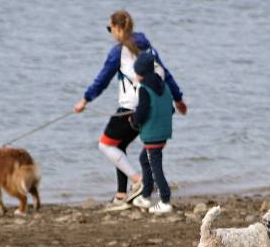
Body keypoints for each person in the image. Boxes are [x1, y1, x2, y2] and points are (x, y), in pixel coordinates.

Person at [74, 11, 187, 211]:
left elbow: (102, 80)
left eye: (110, 28)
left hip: (131, 108)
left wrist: (85, 99)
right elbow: (165, 74)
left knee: (106, 145)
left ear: (118, 29)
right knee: (120, 145)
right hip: (152, 105)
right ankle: (121, 193)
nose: (110, 32)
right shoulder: (148, 47)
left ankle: (139, 181)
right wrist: (178, 99)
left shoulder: (118, 51)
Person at [129, 52, 175, 214]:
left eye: (137, 72)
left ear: (141, 73)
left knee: (155, 165)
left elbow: (141, 112)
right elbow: (172, 109)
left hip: (153, 134)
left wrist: (133, 120)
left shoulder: (143, 89)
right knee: (145, 159)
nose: (135, 75)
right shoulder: (165, 85)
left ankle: (165, 200)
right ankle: (146, 195)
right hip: (163, 132)